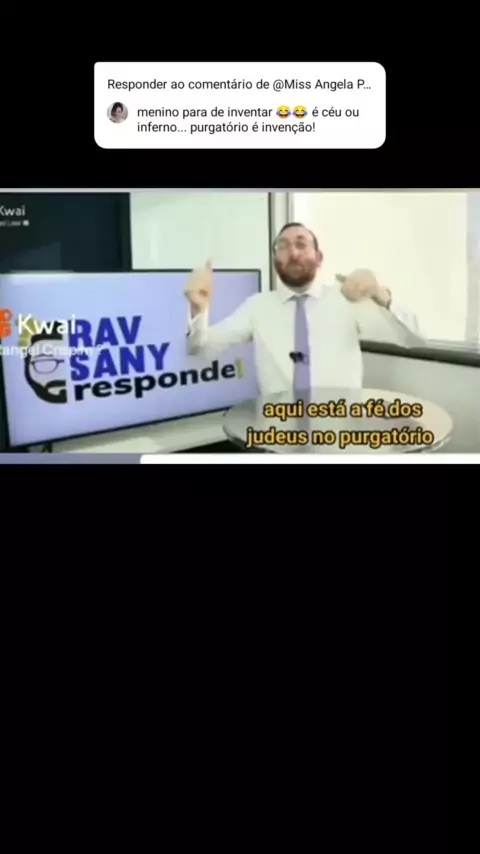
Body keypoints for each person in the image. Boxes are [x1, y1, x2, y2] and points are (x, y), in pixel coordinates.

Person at [185, 222, 422, 396]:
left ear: (319, 257)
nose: (293, 253)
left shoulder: (347, 299)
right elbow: (201, 348)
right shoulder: (257, 306)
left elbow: (411, 338)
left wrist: (381, 296)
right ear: (275, 260)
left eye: (301, 244)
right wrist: (198, 309)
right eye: (283, 246)